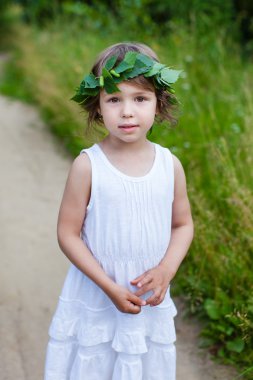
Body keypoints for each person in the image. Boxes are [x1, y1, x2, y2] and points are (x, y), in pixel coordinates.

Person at [44, 41, 194, 380]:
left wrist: (167, 269)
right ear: (98, 107)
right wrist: (108, 286)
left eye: (140, 99)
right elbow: (67, 233)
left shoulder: (170, 166)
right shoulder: (88, 166)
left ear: (159, 104)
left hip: (147, 297)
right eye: (114, 99)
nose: (127, 111)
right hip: (98, 293)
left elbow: (183, 224)